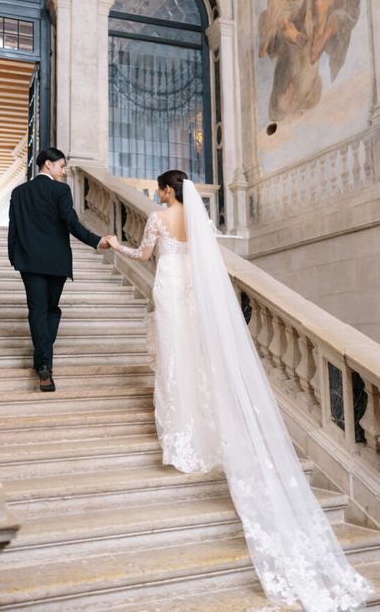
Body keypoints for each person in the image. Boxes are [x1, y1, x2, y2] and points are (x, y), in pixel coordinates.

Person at [108, 169, 373, 612]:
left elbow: (144, 254)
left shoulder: (157, 217)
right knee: (195, 359)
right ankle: (204, 432)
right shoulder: (200, 220)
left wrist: (116, 245)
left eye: (160, 187)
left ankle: (183, 441)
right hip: (193, 295)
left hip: (171, 291)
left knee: (175, 363)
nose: (157, 192)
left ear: (169, 190)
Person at [8, 148, 111, 392]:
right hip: (56, 262)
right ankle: (44, 362)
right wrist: (97, 241)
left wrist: (14, 257)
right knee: (51, 309)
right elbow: (72, 224)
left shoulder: (19, 192)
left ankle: (43, 360)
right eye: (61, 166)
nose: (63, 171)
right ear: (47, 165)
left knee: (37, 310)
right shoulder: (60, 190)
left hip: (28, 262)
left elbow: (13, 229)